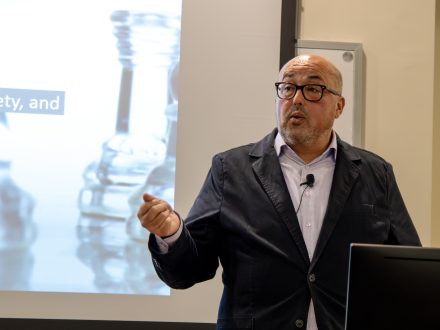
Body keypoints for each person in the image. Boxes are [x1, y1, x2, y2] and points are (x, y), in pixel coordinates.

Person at [137, 54, 421, 330]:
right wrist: (171, 234)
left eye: (313, 89)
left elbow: (407, 270)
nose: (296, 99)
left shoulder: (375, 173)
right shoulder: (230, 170)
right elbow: (189, 270)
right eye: (287, 88)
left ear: (339, 106)